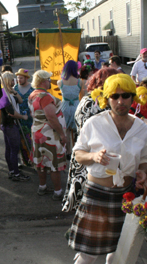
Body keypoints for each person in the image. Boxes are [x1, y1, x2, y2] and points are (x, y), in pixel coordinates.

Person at [69, 73, 147, 264]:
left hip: (125, 194)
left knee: (118, 246)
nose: (120, 101)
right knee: (87, 254)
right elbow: (78, 154)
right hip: (97, 193)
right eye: (115, 96)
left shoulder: (142, 128)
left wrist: (143, 172)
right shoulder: (94, 123)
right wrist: (93, 156)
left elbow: (145, 160)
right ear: (106, 98)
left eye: (126, 96)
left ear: (134, 98)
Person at [62, 68, 121, 212]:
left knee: (84, 206)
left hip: (84, 155)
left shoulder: (87, 99)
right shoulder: (97, 103)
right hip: (91, 159)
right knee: (89, 206)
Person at [29, 70, 67, 200]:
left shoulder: (33, 94)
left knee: (41, 161)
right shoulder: (45, 97)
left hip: (37, 132)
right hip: (49, 134)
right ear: (44, 81)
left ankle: (42, 186)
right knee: (54, 163)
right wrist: (62, 134)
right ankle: (57, 192)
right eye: (48, 80)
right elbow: (51, 117)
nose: (50, 82)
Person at [0, 72, 30, 181]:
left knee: (10, 149)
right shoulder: (4, 95)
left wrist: (15, 92)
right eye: (12, 80)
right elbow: (11, 112)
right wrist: (23, 117)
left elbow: (20, 101)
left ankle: (12, 171)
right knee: (13, 149)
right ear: (7, 81)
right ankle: (16, 174)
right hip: (10, 124)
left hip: (9, 124)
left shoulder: (10, 92)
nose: (14, 82)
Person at [57, 60, 83, 153]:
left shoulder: (60, 82)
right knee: (78, 129)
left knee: (66, 130)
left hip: (65, 106)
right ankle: (78, 149)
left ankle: (68, 151)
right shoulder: (79, 82)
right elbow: (82, 96)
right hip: (76, 105)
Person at [14, 68, 34, 166]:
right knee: (19, 139)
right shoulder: (15, 88)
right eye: (18, 78)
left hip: (30, 118)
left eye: (21, 78)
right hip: (19, 117)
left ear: (26, 78)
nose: (19, 80)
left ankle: (32, 158)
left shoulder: (32, 88)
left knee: (31, 139)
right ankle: (21, 159)